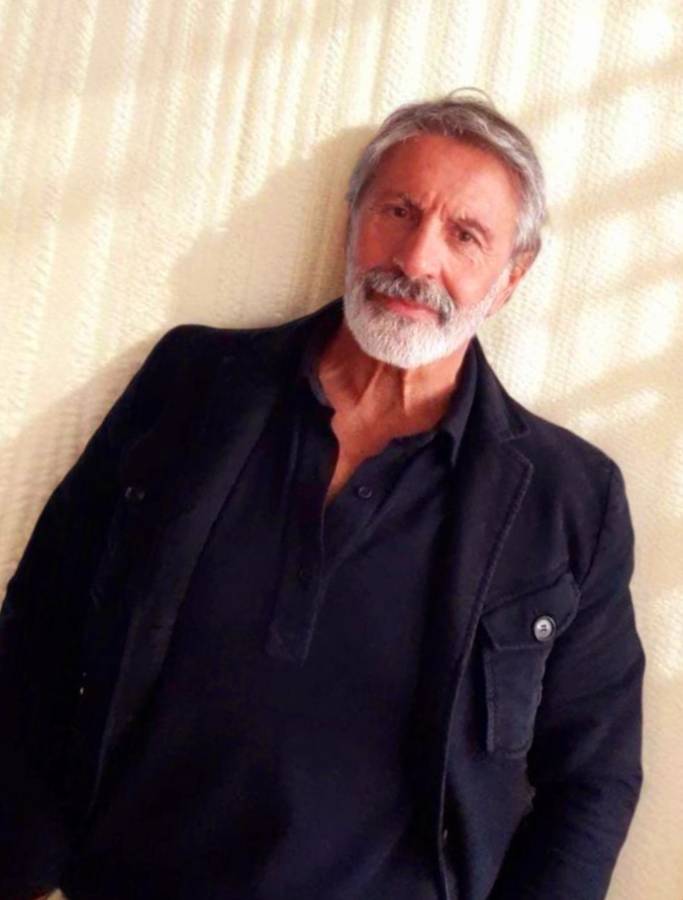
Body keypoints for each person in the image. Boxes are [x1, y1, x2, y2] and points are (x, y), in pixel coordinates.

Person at [1, 92, 643, 900]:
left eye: (464, 235)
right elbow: (41, 624)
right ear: (351, 220)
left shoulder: (568, 499)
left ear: (510, 276)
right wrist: (22, 872)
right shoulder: (193, 383)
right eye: (397, 212)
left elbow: (592, 778)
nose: (415, 260)